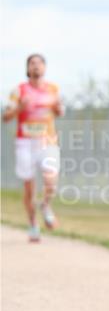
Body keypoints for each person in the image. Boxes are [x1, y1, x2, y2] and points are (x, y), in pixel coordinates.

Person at [2, 53, 63, 243]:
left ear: (45, 68)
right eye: (32, 63)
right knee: (29, 189)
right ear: (27, 68)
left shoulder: (53, 89)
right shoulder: (18, 91)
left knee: (51, 181)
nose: (36, 66)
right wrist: (20, 108)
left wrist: (58, 109)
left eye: (39, 63)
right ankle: (33, 225)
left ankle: (45, 206)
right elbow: (5, 117)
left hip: (47, 141)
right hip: (25, 143)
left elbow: (59, 112)